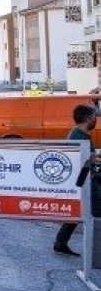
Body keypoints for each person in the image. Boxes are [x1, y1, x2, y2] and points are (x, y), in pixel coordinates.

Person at [54, 104, 99, 256]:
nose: (95, 120)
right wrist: (95, 159)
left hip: (83, 179)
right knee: (95, 213)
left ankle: (60, 243)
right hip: (84, 180)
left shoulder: (80, 134)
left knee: (77, 212)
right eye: (94, 118)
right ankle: (95, 251)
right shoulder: (78, 137)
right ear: (87, 119)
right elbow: (84, 159)